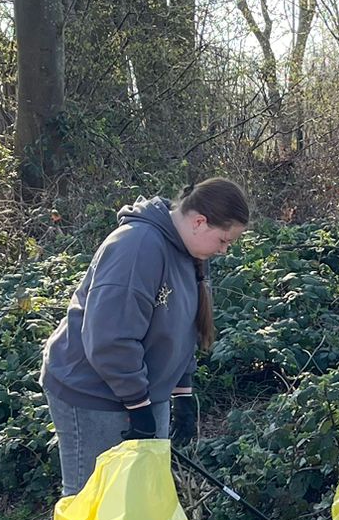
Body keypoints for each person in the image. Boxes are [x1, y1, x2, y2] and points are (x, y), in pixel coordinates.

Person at [39, 178, 250, 497]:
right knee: (91, 502)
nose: (223, 250)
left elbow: (182, 327)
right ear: (199, 222)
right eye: (223, 240)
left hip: (142, 393)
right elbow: (111, 339)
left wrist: (182, 394)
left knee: (135, 501)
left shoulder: (189, 252)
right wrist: (138, 406)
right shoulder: (137, 246)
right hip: (92, 390)